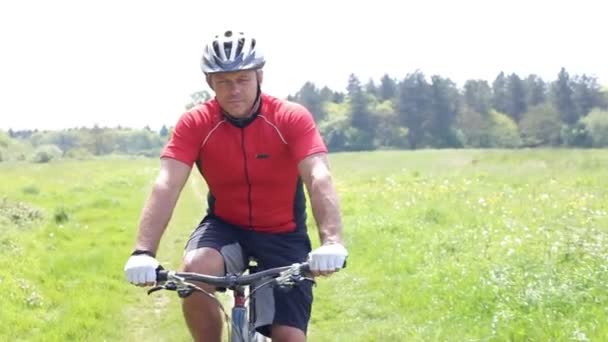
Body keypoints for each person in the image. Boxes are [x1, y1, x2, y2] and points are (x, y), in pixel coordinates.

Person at [123, 30, 348, 342]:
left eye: (242, 79)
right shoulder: (195, 123)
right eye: (224, 81)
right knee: (195, 268)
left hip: (283, 233)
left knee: (289, 338)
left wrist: (332, 241)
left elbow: (318, 175)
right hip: (226, 227)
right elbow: (167, 182)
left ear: (259, 77)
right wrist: (143, 252)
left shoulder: (289, 117)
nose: (234, 90)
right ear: (210, 83)